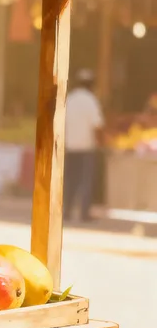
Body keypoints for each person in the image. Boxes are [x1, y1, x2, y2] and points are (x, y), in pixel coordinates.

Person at [64, 69, 103, 223]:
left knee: (70, 181)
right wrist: (100, 142)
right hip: (86, 148)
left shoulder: (70, 99)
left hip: (70, 146)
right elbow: (97, 125)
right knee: (85, 181)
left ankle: (66, 211)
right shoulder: (91, 101)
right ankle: (83, 213)